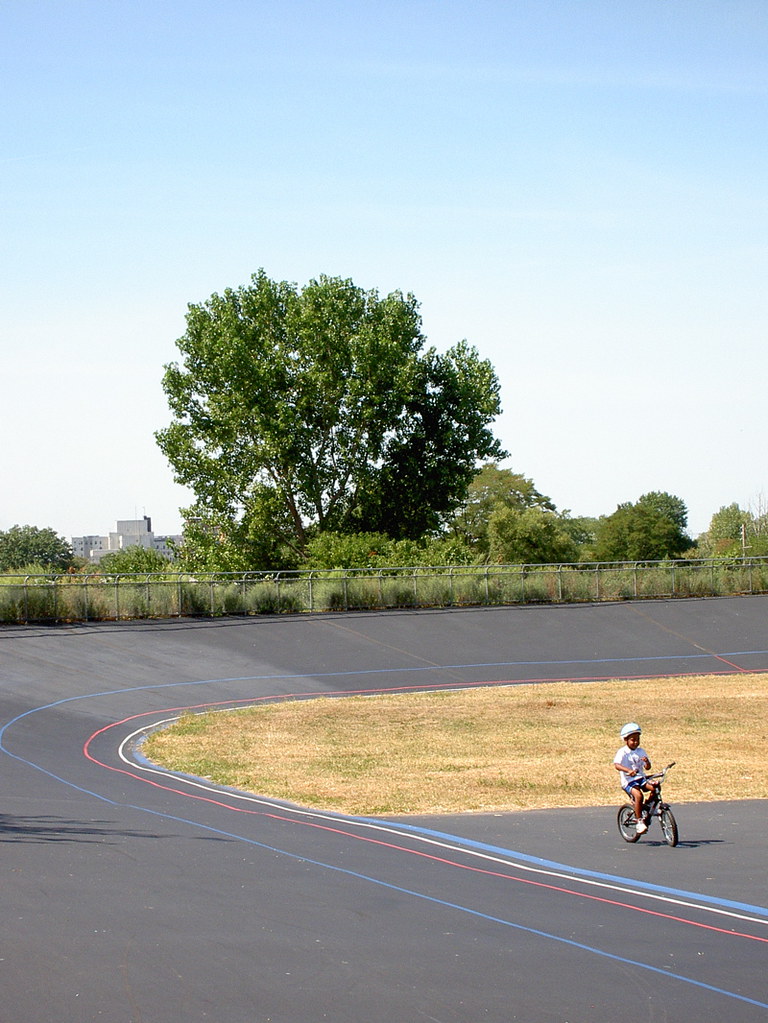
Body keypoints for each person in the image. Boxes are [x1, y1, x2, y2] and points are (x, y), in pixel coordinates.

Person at [613, 722, 657, 834]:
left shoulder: (641, 751)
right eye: (633, 740)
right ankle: (639, 821)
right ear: (626, 740)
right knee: (638, 795)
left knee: (655, 788)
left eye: (637, 739)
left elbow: (647, 767)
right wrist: (628, 771)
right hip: (628, 781)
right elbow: (617, 765)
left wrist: (647, 763)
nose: (635, 742)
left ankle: (646, 806)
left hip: (640, 778)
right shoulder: (623, 752)